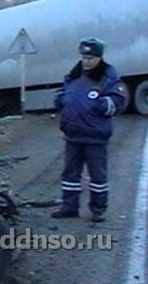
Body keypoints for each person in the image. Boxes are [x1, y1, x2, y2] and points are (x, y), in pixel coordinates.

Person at [52, 38, 126, 222]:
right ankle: (69, 207)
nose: (87, 61)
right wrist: (60, 99)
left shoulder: (108, 76)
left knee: (97, 175)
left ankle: (98, 209)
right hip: (73, 135)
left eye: (91, 58)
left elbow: (116, 103)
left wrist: (100, 103)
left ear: (99, 57)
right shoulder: (75, 74)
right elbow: (64, 91)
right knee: (70, 174)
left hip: (95, 136)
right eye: (84, 57)